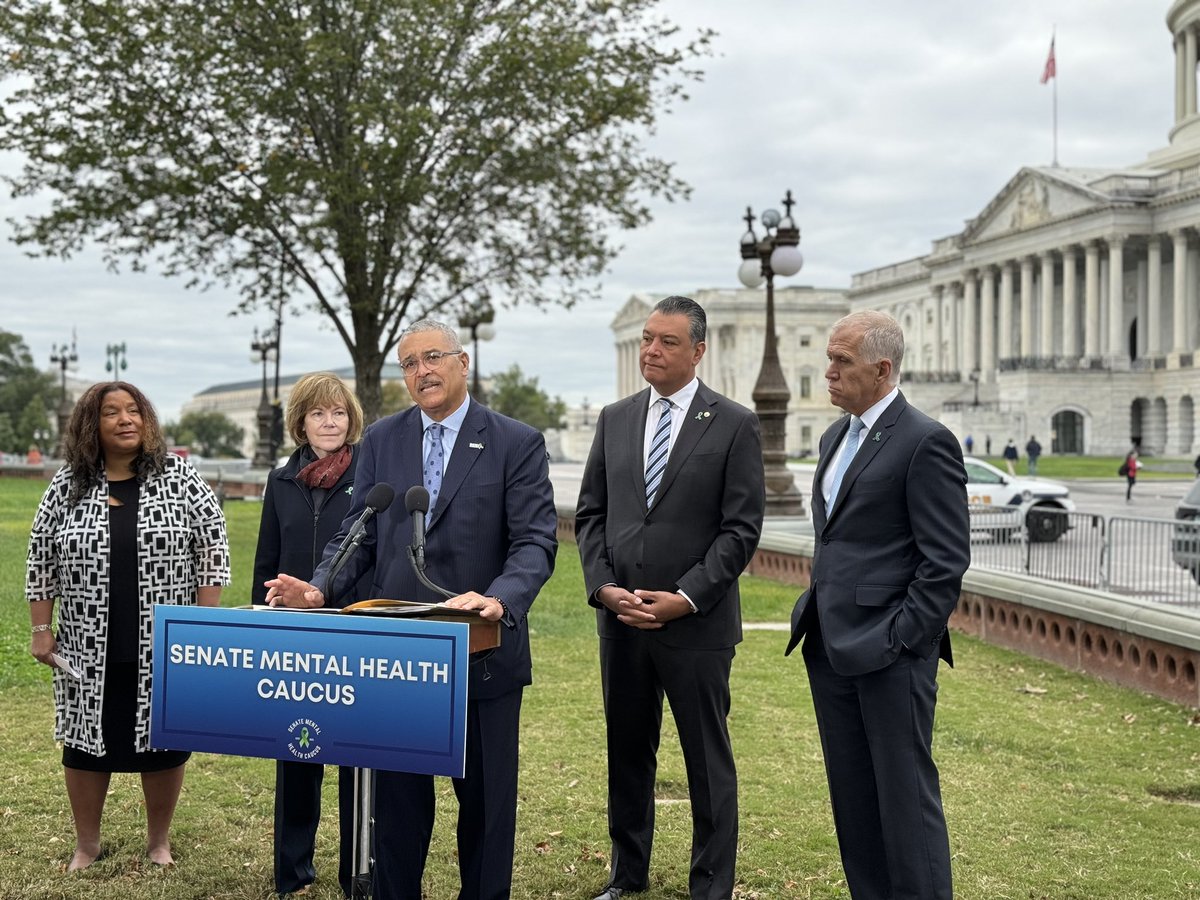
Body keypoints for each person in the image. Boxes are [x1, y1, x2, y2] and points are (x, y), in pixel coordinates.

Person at [265, 319, 557, 900]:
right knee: (397, 811)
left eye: (432, 357)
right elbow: (359, 531)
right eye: (409, 363)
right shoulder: (383, 440)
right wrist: (321, 587)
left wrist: (500, 596)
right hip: (397, 660)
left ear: (462, 362)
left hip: (482, 655)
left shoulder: (515, 441)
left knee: (486, 808)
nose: (421, 371)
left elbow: (535, 541)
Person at [576, 295, 766, 900]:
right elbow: (591, 515)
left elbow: (741, 530)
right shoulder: (616, 417)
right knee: (627, 754)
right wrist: (604, 589)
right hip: (622, 621)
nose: (651, 350)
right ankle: (626, 877)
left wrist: (686, 597)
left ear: (699, 351)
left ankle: (710, 886)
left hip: (696, 626)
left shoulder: (735, 423)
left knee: (707, 763)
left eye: (667, 342)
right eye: (648, 339)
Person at [784, 311, 970, 900]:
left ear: (882, 369)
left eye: (842, 361)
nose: (828, 371)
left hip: (891, 653)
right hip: (830, 645)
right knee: (854, 797)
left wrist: (900, 641)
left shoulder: (926, 441)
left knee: (905, 799)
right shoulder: (834, 436)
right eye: (830, 358)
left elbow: (944, 563)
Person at [26, 381, 230, 871]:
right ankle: (87, 844)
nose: (126, 419)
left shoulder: (178, 477)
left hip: (162, 638)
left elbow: (213, 548)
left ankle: (158, 841)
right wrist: (40, 628)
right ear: (90, 425)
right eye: (112, 412)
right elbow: (40, 558)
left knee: (163, 742)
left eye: (134, 410)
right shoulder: (68, 483)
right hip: (85, 640)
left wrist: (199, 622)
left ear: (148, 420)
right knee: (83, 744)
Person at [252, 372, 368, 898]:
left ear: (352, 420)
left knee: (356, 758)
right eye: (318, 413)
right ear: (300, 421)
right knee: (297, 752)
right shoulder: (280, 481)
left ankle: (356, 872)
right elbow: (267, 561)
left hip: (355, 630)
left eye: (339, 413)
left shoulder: (370, 476)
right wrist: (263, 619)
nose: (329, 422)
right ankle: (292, 871)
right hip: (293, 638)